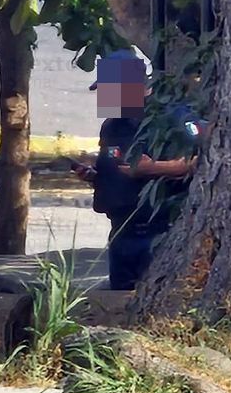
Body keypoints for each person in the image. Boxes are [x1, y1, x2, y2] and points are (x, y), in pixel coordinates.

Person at [75, 49, 200, 290]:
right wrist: (94, 176)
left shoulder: (173, 117)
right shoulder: (112, 126)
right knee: (120, 304)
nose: (105, 98)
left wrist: (152, 168)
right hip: (121, 233)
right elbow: (116, 164)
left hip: (159, 233)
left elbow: (203, 162)